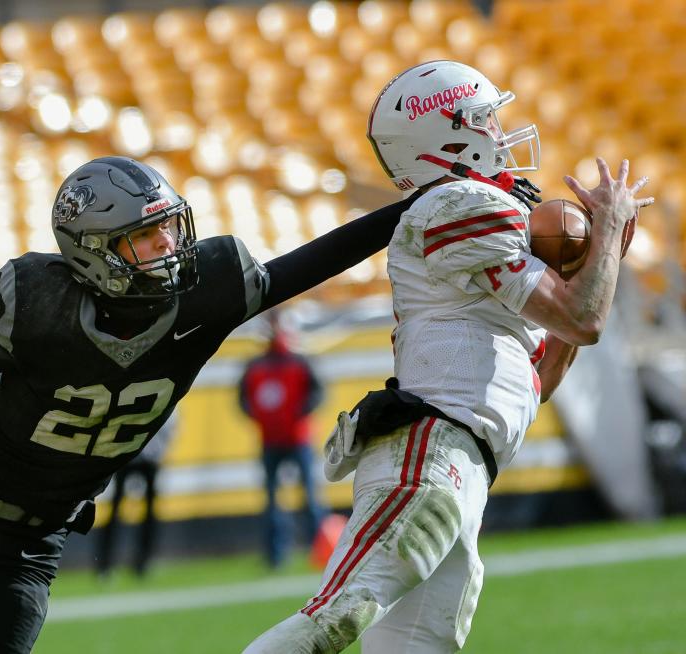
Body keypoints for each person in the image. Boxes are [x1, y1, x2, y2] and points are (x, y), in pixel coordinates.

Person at [0, 155, 423, 654]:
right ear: (95, 251)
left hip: (28, 538)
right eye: (146, 237)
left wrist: (416, 206)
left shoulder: (205, 299)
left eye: (169, 229)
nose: (169, 247)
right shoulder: (42, 306)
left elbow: (313, 260)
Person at [244, 60, 651, 654]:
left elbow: (539, 381)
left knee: (414, 647)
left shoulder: (475, 214)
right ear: (449, 135)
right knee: (336, 618)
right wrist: (607, 237)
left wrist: (591, 265)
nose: (499, 132)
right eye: (486, 119)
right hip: (431, 448)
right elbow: (583, 319)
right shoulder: (458, 203)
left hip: (462, 461)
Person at [238, 312, 326, 568]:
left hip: (298, 438)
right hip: (271, 439)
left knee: (309, 497)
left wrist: (298, 414)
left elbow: (317, 393)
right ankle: (276, 554)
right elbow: (243, 398)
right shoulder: (256, 366)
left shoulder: (299, 362)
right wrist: (260, 417)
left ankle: (319, 550)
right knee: (272, 501)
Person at [95, 410, 178, 578]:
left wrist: (157, 452)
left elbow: (171, 425)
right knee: (117, 510)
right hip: (129, 457)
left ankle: (142, 561)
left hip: (146, 458)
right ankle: (106, 563)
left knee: (148, 512)